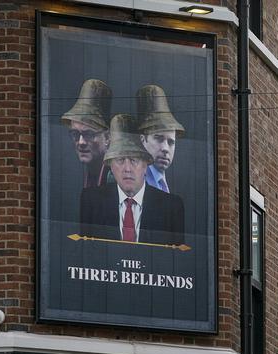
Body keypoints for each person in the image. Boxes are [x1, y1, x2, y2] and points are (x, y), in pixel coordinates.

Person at [80, 114, 184, 245]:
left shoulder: (171, 207)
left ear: (146, 164)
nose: (127, 168)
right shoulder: (91, 201)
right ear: (111, 165)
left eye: (134, 160)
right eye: (120, 160)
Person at [61, 79, 113, 188]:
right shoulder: (88, 172)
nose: (81, 142)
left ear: (107, 137)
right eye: (75, 134)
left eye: (89, 134)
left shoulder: (116, 179)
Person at [136, 84, 186, 193]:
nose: (165, 148)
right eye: (158, 139)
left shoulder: (161, 182)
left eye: (171, 142)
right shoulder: (136, 183)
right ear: (143, 140)